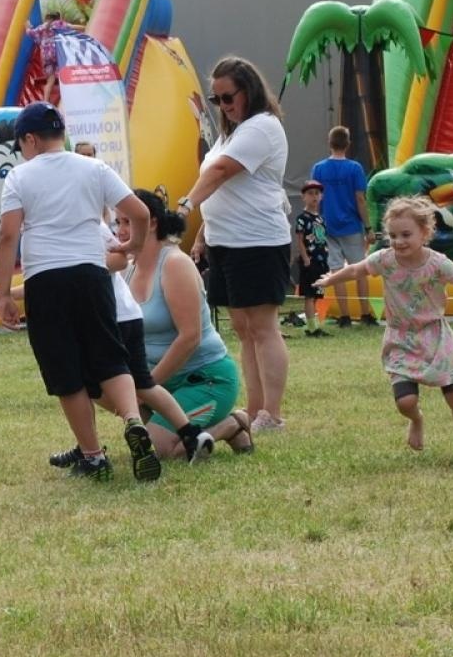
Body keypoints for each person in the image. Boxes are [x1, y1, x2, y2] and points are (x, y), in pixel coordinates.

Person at [0, 102, 161, 483]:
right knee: (110, 356)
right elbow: (140, 212)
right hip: (91, 273)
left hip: (45, 279)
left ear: (31, 139)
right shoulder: (94, 168)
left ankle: (93, 455)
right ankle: (133, 420)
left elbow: (7, 236)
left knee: (64, 369)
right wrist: (131, 246)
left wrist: (4, 294)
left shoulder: (20, 177)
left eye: (22, 144)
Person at [318, 195, 453, 455]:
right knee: (406, 401)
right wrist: (331, 279)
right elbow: (356, 270)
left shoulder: (438, 264)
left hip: (435, 336)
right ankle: (416, 420)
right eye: (393, 235)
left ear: (425, 232)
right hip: (400, 338)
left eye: (406, 234)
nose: (399, 241)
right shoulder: (384, 260)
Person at [176, 56, 292, 433]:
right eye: (217, 100)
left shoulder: (262, 127)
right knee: (242, 327)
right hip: (227, 241)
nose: (224, 106)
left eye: (229, 97)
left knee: (262, 327)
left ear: (249, 91)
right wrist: (203, 234)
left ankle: (271, 414)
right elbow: (218, 182)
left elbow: (221, 172)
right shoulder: (233, 133)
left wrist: (185, 206)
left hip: (257, 241)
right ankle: (255, 407)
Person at [118, 190, 253, 458]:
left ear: (152, 222)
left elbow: (190, 337)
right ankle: (169, 426)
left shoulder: (174, 264)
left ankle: (232, 424)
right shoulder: (128, 268)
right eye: (118, 222)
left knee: (163, 450)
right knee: (100, 386)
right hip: (160, 384)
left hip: (206, 379)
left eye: (127, 222)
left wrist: (145, 387)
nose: (121, 231)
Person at [308, 126, 375, 327]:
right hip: (352, 226)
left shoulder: (318, 168)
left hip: (327, 225)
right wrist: (369, 227)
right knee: (360, 271)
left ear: (329, 144)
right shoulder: (355, 168)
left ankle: (344, 316)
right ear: (348, 144)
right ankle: (365, 313)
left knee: (337, 272)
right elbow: (360, 199)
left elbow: (314, 199)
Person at [293, 179, 332, 337]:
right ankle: (311, 328)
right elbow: (300, 239)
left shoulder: (321, 218)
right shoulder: (302, 218)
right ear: (304, 197)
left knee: (318, 294)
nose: (314, 197)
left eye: (317, 193)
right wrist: (305, 258)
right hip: (310, 260)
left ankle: (315, 324)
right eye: (310, 194)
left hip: (322, 260)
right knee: (309, 294)